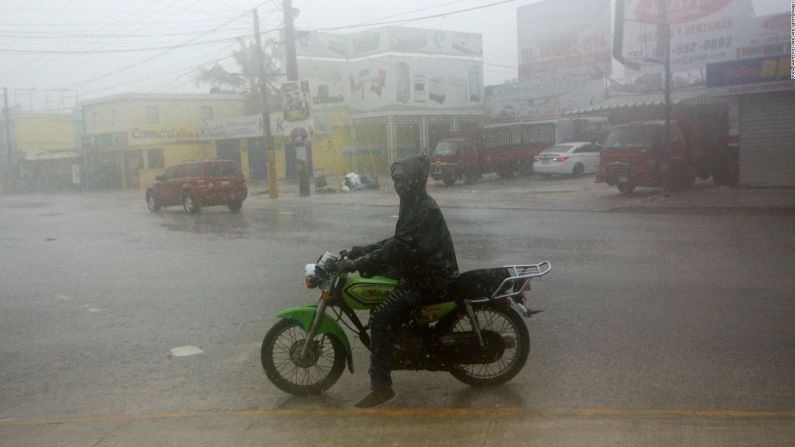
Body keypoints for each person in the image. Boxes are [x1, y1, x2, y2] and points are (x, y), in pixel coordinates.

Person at [335, 154, 459, 408]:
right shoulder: (413, 202)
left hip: (430, 277)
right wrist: (364, 250)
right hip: (419, 269)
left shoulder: (422, 207)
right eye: (396, 181)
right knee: (380, 292)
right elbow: (398, 241)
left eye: (403, 181)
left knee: (381, 314)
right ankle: (399, 344)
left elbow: (399, 246)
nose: (398, 186)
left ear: (415, 181)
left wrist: (359, 264)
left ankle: (382, 388)